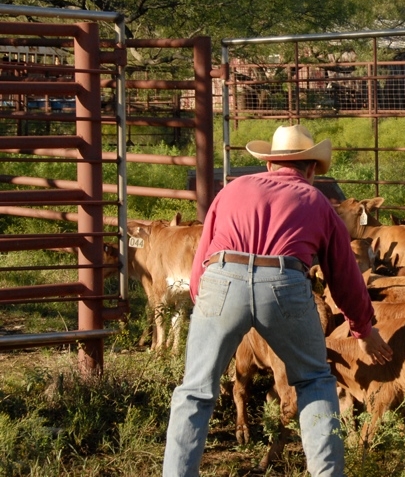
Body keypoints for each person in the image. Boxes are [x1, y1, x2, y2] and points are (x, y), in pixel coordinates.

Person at [162, 123, 393, 477]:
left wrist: (207, 311)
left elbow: (201, 260)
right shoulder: (316, 200)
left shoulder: (233, 189)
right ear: (312, 169)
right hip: (284, 281)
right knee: (315, 380)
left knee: (195, 391)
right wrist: (362, 329)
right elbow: (344, 275)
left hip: (221, 280)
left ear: (268, 164)